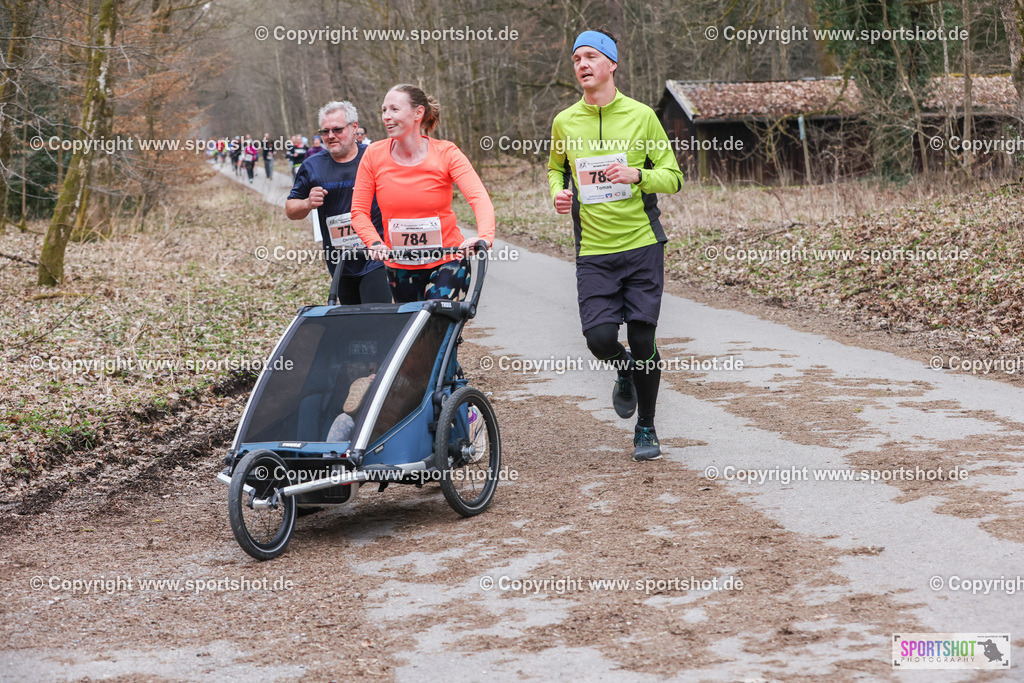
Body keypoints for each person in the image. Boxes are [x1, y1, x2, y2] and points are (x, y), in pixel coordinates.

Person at [548, 29, 684, 462]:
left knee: (643, 338)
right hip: (594, 250)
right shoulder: (565, 121)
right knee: (600, 338)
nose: (582, 64)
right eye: (576, 59)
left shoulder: (642, 117)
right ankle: (623, 370)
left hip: (642, 244)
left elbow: (673, 177)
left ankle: (646, 426)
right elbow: (556, 169)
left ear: (611, 64)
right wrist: (558, 193)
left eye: (591, 56)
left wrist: (638, 175)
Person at [351, 84, 494, 303]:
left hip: (447, 259)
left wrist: (484, 237)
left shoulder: (446, 152)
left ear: (418, 113)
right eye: (384, 110)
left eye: (394, 109)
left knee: (435, 317)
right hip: (399, 264)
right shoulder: (373, 154)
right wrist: (374, 243)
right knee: (414, 324)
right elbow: (359, 211)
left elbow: (478, 197)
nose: (386, 116)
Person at [285, 101, 391, 304]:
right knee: (351, 316)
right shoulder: (312, 165)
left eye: (337, 130)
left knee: (376, 314)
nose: (330, 136)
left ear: (354, 127)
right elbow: (291, 209)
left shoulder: (374, 156)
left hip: (376, 256)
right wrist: (307, 203)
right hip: (340, 261)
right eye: (325, 131)